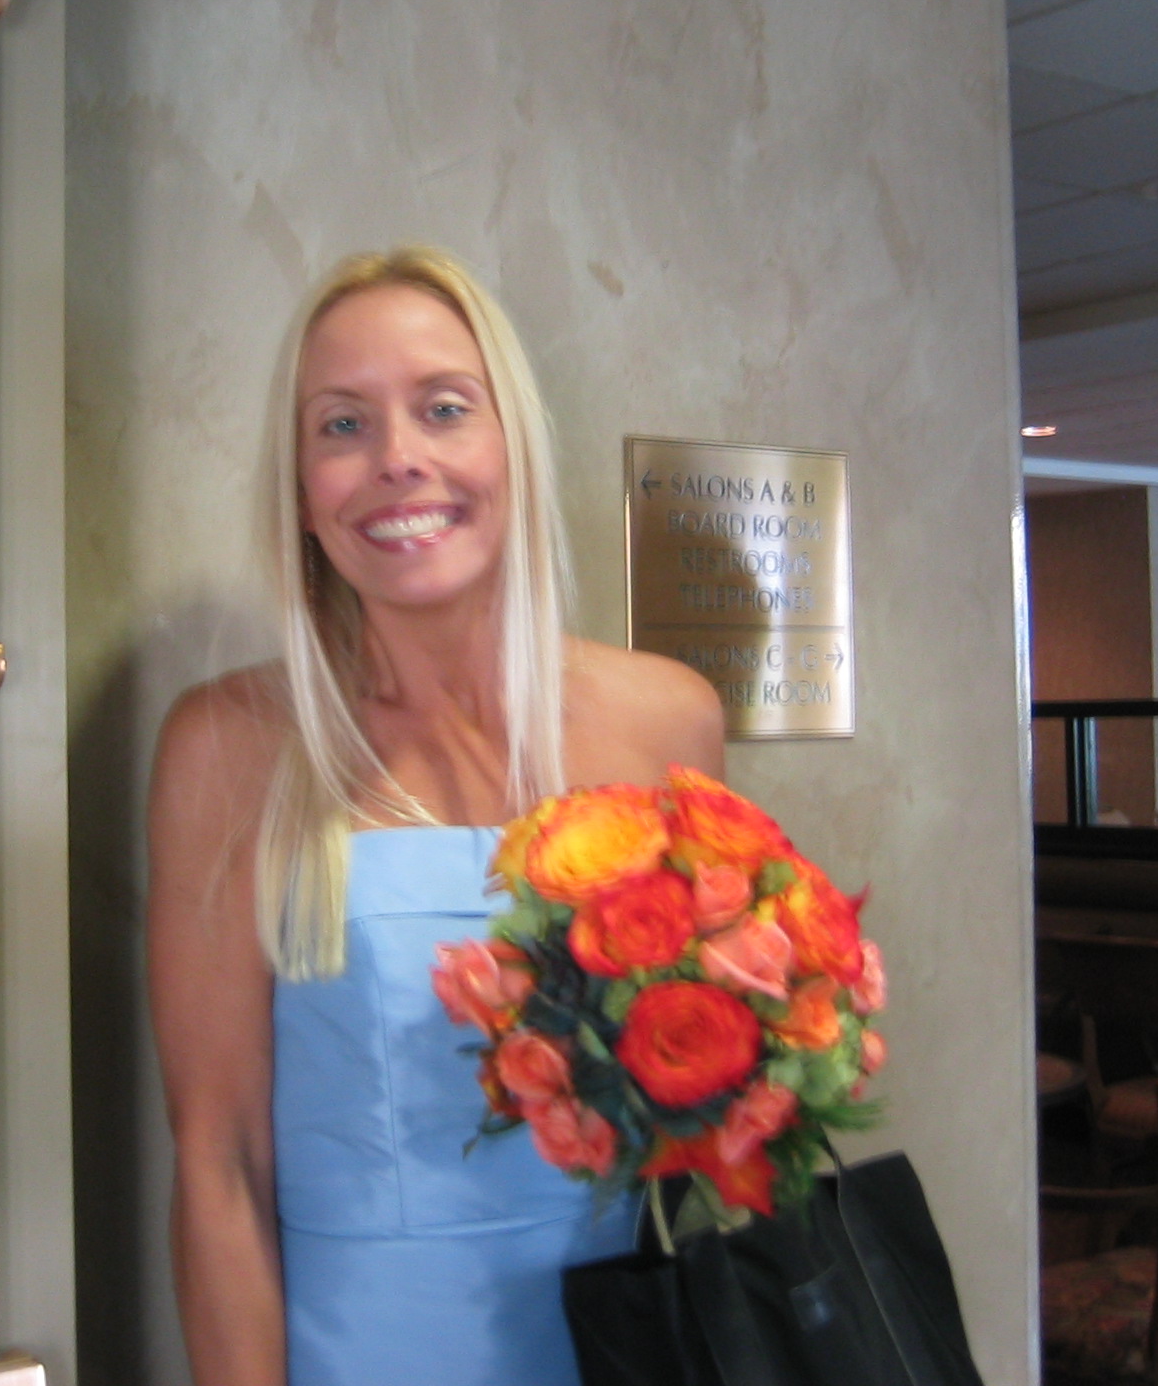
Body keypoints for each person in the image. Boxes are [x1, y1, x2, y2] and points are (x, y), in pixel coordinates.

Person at [146, 247, 726, 1386]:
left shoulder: (668, 719)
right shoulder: (227, 747)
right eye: (341, 425)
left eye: (444, 408)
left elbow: (706, 1106)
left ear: (512, 446)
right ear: (300, 490)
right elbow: (220, 1165)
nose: (398, 459)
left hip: (627, 1347)